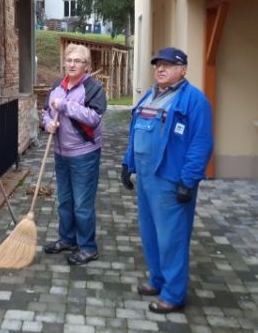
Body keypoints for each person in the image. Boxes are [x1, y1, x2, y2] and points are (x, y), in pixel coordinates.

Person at [121, 47, 213, 314]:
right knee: (150, 233)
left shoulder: (194, 101)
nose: (160, 69)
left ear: (182, 70)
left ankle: (173, 294)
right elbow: (135, 131)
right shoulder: (150, 96)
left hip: (171, 179)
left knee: (172, 238)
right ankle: (157, 280)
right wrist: (128, 163)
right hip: (147, 178)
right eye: (158, 65)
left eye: (168, 65)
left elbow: (201, 143)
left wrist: (189, 180)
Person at [42, 44, 107, 265]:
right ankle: (67, 239)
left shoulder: (93, 88)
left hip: (84, 155)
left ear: (86, 66)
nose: (72, 64)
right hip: (61, 154)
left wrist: (66, 106)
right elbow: (45, 111)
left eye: (77, 61)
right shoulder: (56, 86)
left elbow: (94, 117)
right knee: (65, 201)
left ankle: (88, 247)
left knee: (82, 204)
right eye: (69, 59)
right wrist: (48, 123)